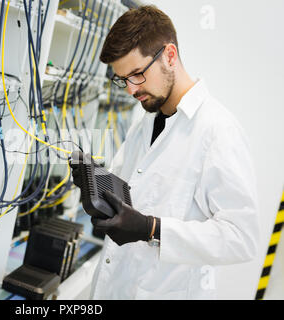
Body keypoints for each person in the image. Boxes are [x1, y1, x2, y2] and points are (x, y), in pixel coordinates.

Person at [69, 5, 260, 299]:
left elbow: (242, 238)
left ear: (170, 56)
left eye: (137, 74)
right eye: (123, 80)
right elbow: (131, 193)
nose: (131, 90)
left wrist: (153, 229)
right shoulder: (147, 121)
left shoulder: (217, 130)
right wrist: (94, 181)